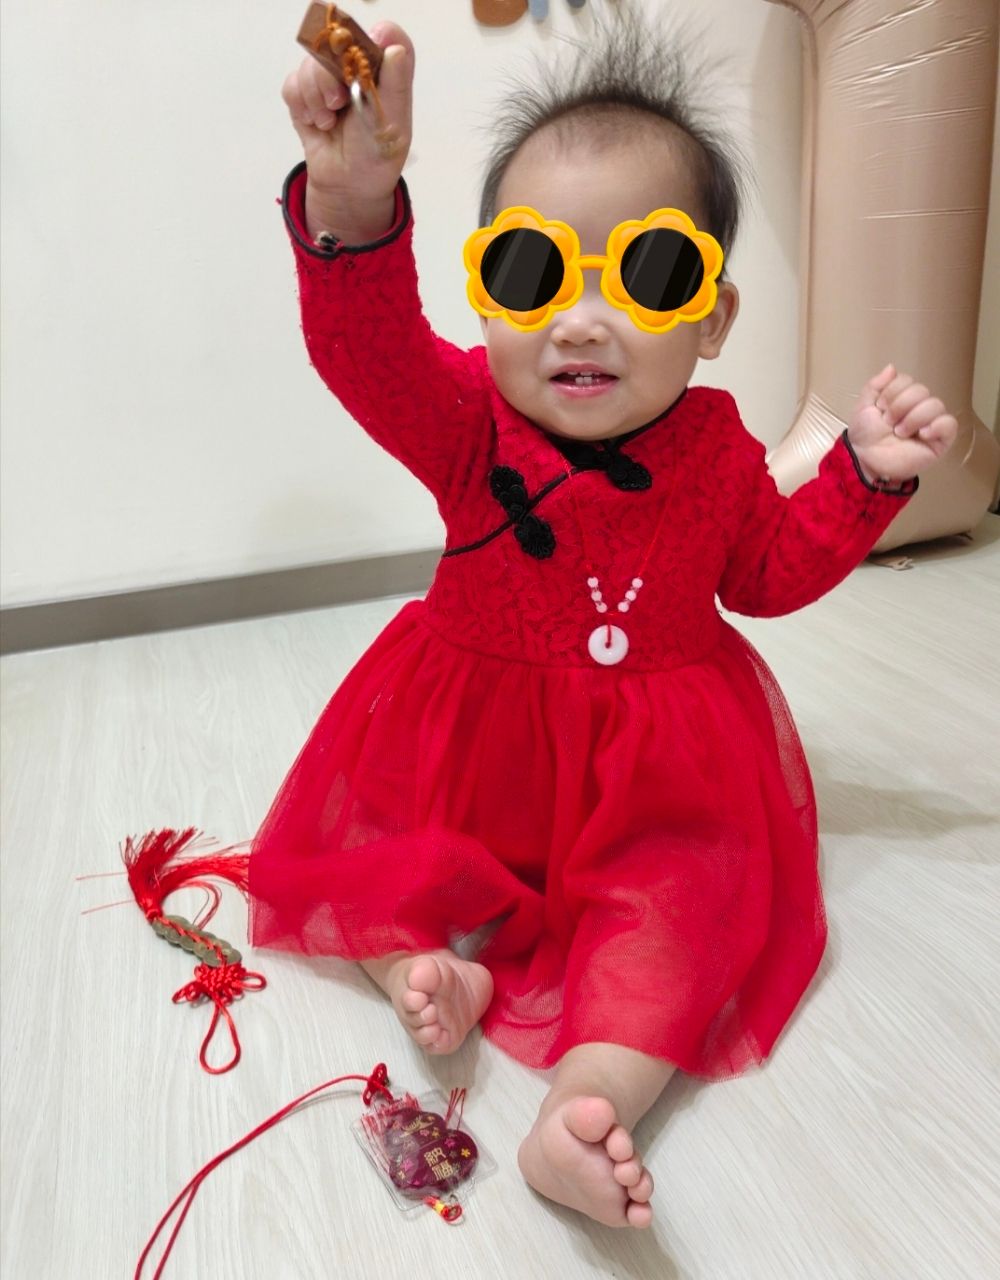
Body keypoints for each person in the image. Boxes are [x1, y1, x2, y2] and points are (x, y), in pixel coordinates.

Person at [251, 11, 958, 1229]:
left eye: (649, 274)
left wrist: (861, 477)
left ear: (712, 317)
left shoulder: (719, 449)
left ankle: (584, 1106)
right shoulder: (465, 419)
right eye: (532, 274)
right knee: (371, 854)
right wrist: (353, 200)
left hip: (654, 785)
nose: (579, 320)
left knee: (682, 919)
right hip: (470, 751)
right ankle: (429, 970)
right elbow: (364, 350)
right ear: (487, 297)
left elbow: (765, 574)